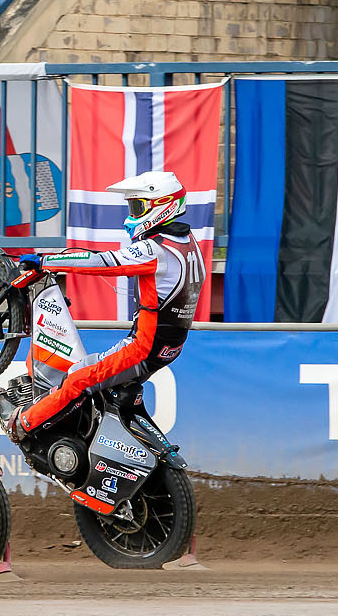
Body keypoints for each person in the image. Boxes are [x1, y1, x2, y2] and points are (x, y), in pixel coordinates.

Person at [11, 169, 200, 441]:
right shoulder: (188, 243)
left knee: (78, 378)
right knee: (89, 379)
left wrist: (44, 261)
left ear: (161, 207)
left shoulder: (156, 249)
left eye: (137, 207)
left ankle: (23, 425)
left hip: (142, 348)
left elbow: (103, 262)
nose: (131, 216)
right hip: (166, 346)